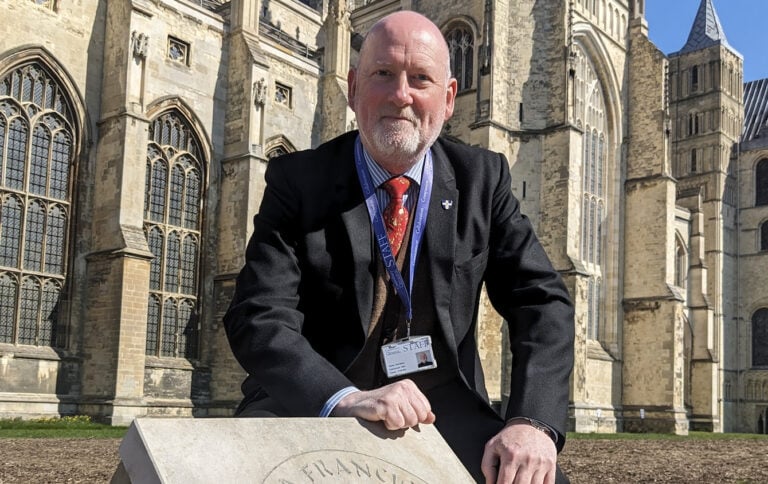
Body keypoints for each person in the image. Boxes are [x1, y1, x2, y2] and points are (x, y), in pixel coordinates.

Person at [224, 10, 574, 484]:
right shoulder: (298, 181)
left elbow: (542, 302)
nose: (401, 95)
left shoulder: (482, 180)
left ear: (448, 99)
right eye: (383, 74)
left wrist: (532, 422)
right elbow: (258, 314)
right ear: (353, 88)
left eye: (420, 79)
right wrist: (344, 398)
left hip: (439, 407)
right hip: (313, 398)